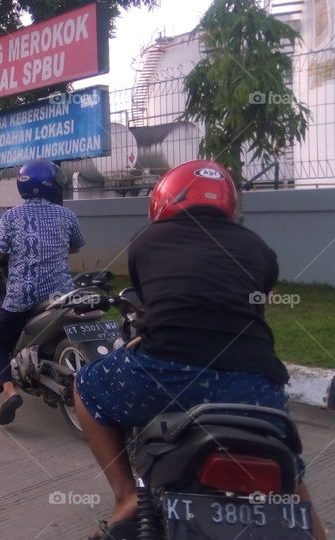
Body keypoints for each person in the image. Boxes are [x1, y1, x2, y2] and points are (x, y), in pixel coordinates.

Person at [73, 160, 325, 540]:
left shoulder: (147, 240)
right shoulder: (258, 248)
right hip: (254, 382)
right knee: (287, 466)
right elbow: (258, 303)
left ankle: (126, 497)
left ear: (164, 200)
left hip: (165, 372)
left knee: (85, 385)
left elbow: (152, 297)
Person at [0, 159, 84, 425]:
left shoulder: (12, 216)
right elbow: (77, 246)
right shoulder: (67, 215)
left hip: (23, 295)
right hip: (62, 293)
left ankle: (10, 393)